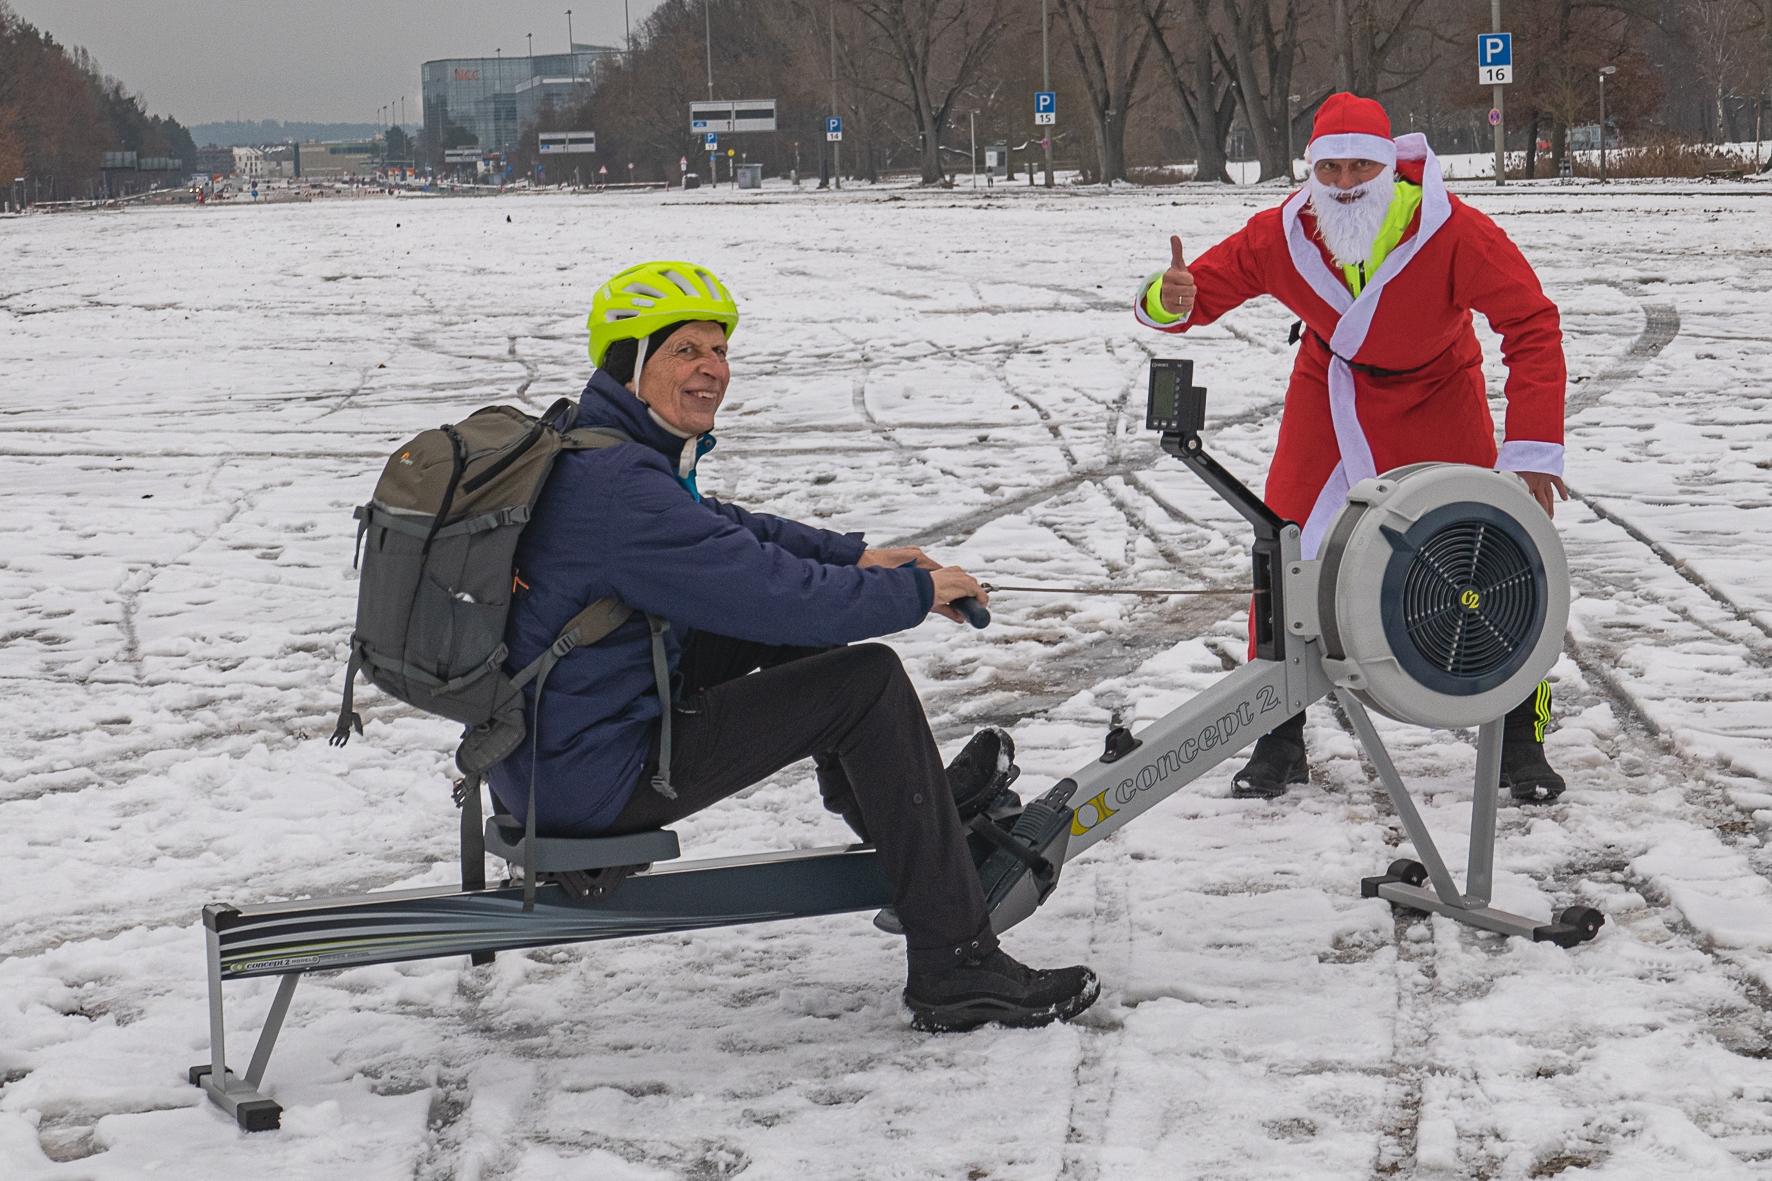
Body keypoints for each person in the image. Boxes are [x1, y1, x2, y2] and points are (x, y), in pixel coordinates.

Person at [487, 259, 1099, 1031]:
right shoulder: (621, 491)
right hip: (590, 777)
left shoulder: (606, 450)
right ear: (629, 362)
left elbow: (730, 535)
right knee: (865, 679)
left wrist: (857, 557)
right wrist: (913, 593)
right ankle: (956, 965)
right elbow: (772, 591)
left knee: (792, 634)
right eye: (686, 351)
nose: (714, 369)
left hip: (561, 743)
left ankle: (918, 817)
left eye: (720, 350)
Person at [1134, 93, 1570, 803]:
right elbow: (1193, 294)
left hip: (1440, 389)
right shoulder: (1284, 231)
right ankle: (1279, 735)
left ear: (1389, 167)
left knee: (1498, 559)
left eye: (1359, 165)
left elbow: (1532, 324)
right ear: (1310, 170)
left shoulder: (1452, 229)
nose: (1343, 183)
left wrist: (1531, 455)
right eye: (1328, 167)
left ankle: (1523, 734)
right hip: (1331, 392)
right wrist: (1169, 296)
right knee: (1283, 548)